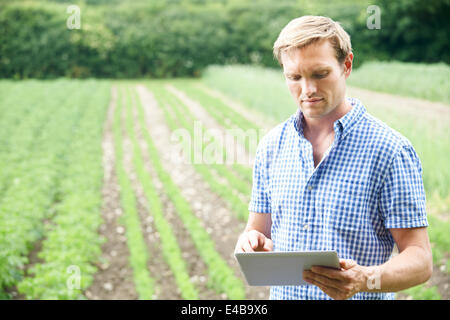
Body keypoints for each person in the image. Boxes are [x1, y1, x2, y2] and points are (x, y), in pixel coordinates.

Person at [234, 15, 433, 300]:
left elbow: (421, 260)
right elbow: (257, 230)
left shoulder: (390, 151)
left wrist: (364, 279)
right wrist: (250, 242)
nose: (308, 90)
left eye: (320, 74)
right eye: (294, 77)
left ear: (346, 65)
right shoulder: (271, 146)